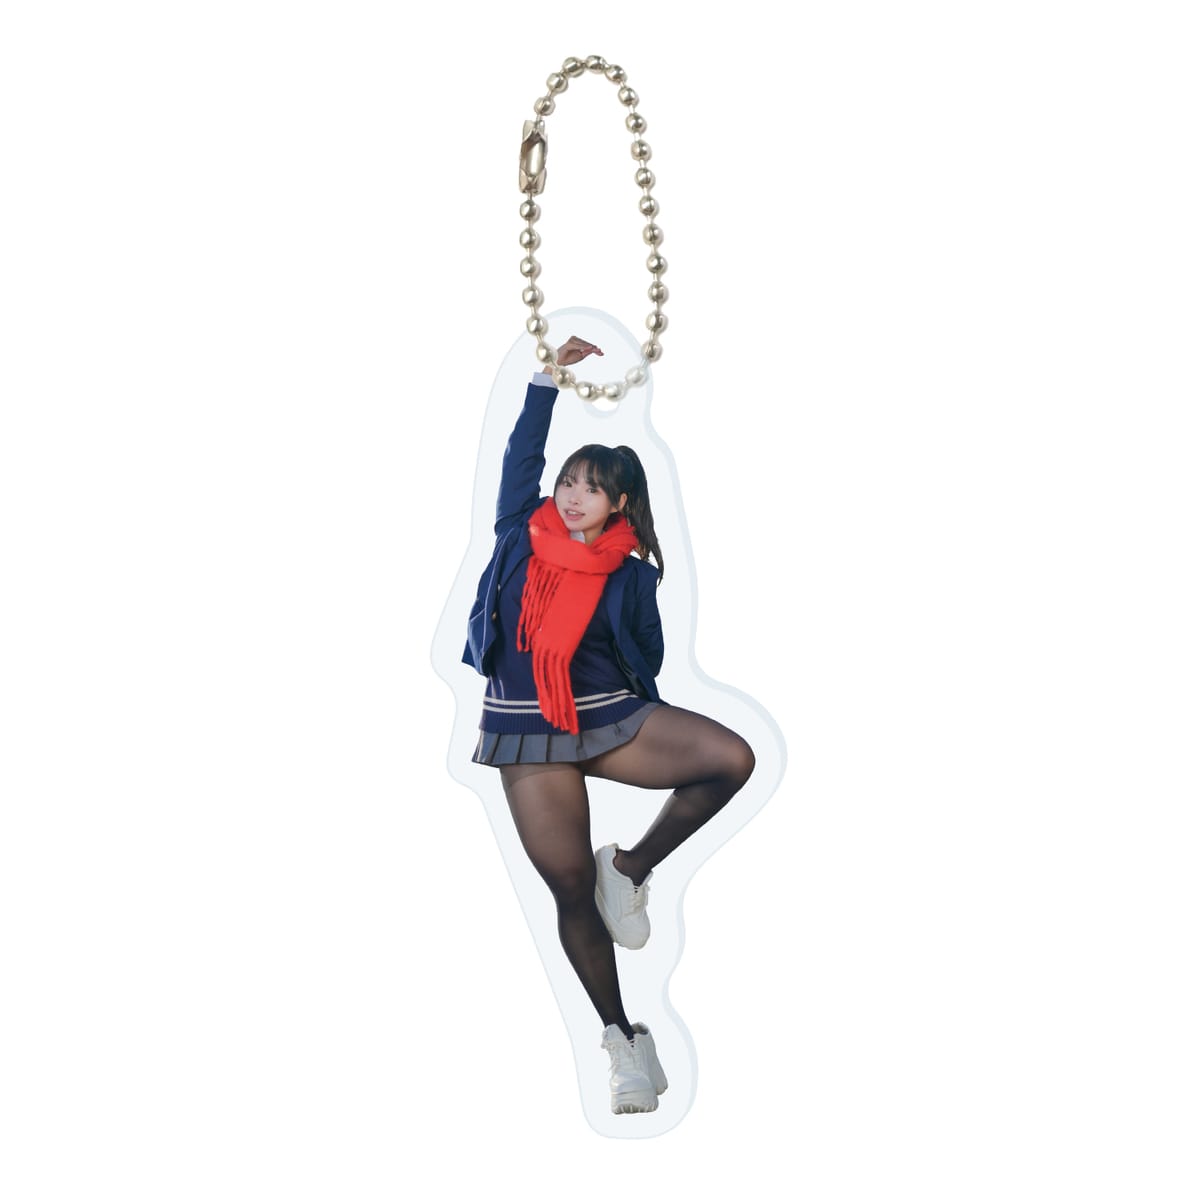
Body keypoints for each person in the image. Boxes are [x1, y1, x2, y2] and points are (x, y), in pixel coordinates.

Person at [462, 335, 755, 1115]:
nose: (571, 496)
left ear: (618, 504)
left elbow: (645, 658)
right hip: (525, 727)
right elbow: (521, 454)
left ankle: (627, 868)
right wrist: (545, 379)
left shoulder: (630, 573)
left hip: (604, 714)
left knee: (731, 758)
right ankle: (624, 1042)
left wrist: (630, 687)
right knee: (567, 889)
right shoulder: (519, 530)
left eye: (591, 489)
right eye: (568, 481)